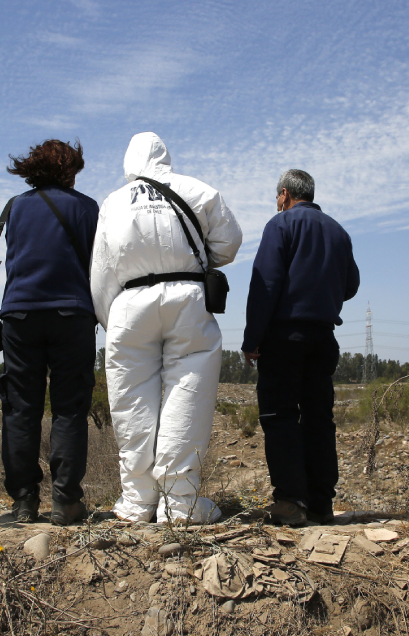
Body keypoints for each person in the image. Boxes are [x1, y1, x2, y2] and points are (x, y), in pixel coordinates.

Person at [90, 132, 242, 524]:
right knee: (187, 395)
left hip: (129, 303)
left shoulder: (113, 201)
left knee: (131, 403)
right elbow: (229, 243)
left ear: (129, 162)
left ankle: (137, 502)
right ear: (164, 157)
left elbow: (101, 271)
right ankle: (180, 503)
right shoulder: (198, 190)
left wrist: (112, 321)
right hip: (188, 298)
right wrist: (190, 261)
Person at [241, 169, 359, 527]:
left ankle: (291, 502)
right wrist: (322, 293)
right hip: (323, 337)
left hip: (284, 337)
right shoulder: (338, 231)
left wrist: (252, 339)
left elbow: (265, 284)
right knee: (319, 419)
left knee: (280, 416)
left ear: (284, 194)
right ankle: (321, 504)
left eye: (277, 197)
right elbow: (351, 285)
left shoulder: (280, 225)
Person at [0, 140, 99, 525]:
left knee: (21, 408)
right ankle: (66, 501)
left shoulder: (15, 207)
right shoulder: (87, 207)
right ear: (68, 170)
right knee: (69, 407)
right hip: (72, 314)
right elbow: (98, 262)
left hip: (20, 314)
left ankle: (24, 502)